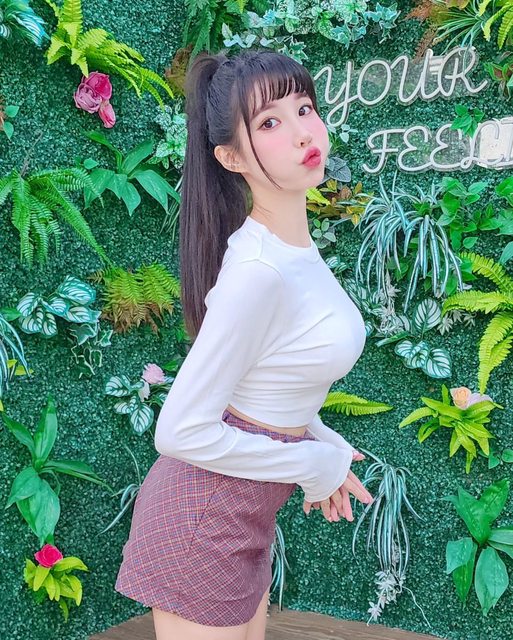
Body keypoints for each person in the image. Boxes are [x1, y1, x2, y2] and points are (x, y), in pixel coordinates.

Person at [114, 48, 374, 640]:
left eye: (304, 108)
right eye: (270, 122)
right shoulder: (258, 270)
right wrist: (313, 463)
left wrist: (325, 446)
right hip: (201, 520)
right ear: (231, 157)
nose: (303, 132)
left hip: (245, 516)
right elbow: (180, 431)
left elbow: (270, 385)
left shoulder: (292, 252)